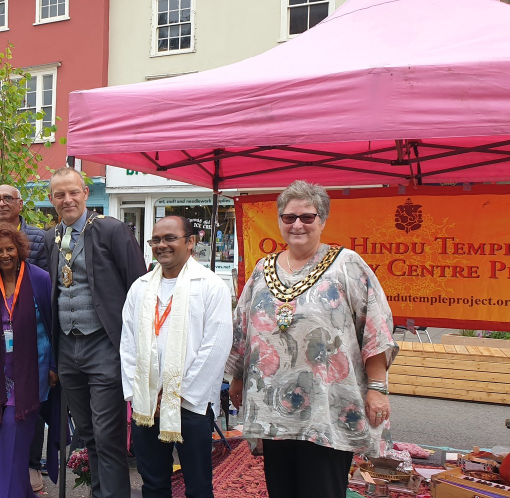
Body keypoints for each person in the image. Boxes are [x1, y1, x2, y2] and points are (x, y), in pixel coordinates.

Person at [227, 180, 398, 498]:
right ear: (279, 221)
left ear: (322, 220)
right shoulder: (262, 270)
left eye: (307, 217)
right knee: (282, 489)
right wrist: (236, 378)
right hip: (273, 407)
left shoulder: (347, 265)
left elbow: (375, 327)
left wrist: (377, 389)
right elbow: (243, 328)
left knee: (322, 489)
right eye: (289, 217)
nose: (297, 225)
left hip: (327, 405)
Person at [43, 167, 146, 498]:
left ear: (85, 193)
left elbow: (138, 288)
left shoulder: (112, 231)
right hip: (67, 349)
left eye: (73, 192)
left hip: (104, 344)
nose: (67, 199)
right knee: (87, 433)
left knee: (108, 434)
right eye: (60, 194)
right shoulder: (50, 238)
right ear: (51, 199)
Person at [121, 216, 232, 498]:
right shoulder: (140, 287)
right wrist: (141, 393)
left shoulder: (210, 286)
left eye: (170, 238)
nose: (162, 245)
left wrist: (176, 396)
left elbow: (216, 346)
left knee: (197, 484)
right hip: (148, 404)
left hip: (191, 404)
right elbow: (128, 344)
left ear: (190, 242)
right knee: (153, 482)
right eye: (156, 240)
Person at [0, 184, 51, 490]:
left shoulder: (39, 279)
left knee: (15, 427)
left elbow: (50, 322)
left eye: (10, 249)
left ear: (21, 248)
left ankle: (4, 490)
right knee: (6, 428)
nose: (5, 254)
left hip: (32, 368)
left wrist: (53, 365)